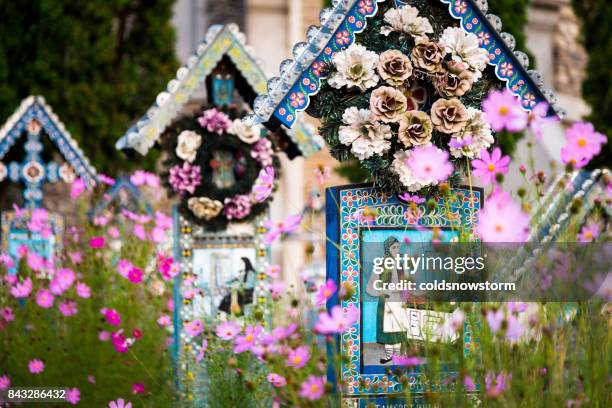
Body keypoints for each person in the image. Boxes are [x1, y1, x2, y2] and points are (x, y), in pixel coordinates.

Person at [366, 236, 407, 364]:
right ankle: (389, 355)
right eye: (393, 247)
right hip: (388, 300)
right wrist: (383, 291)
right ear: (388, 249)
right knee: (388, 328)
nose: (396, 250)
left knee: (398, 328)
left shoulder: (400, 265)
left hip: (399, 300)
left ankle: (398, 355)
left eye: (398, 247)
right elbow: (372, 285)